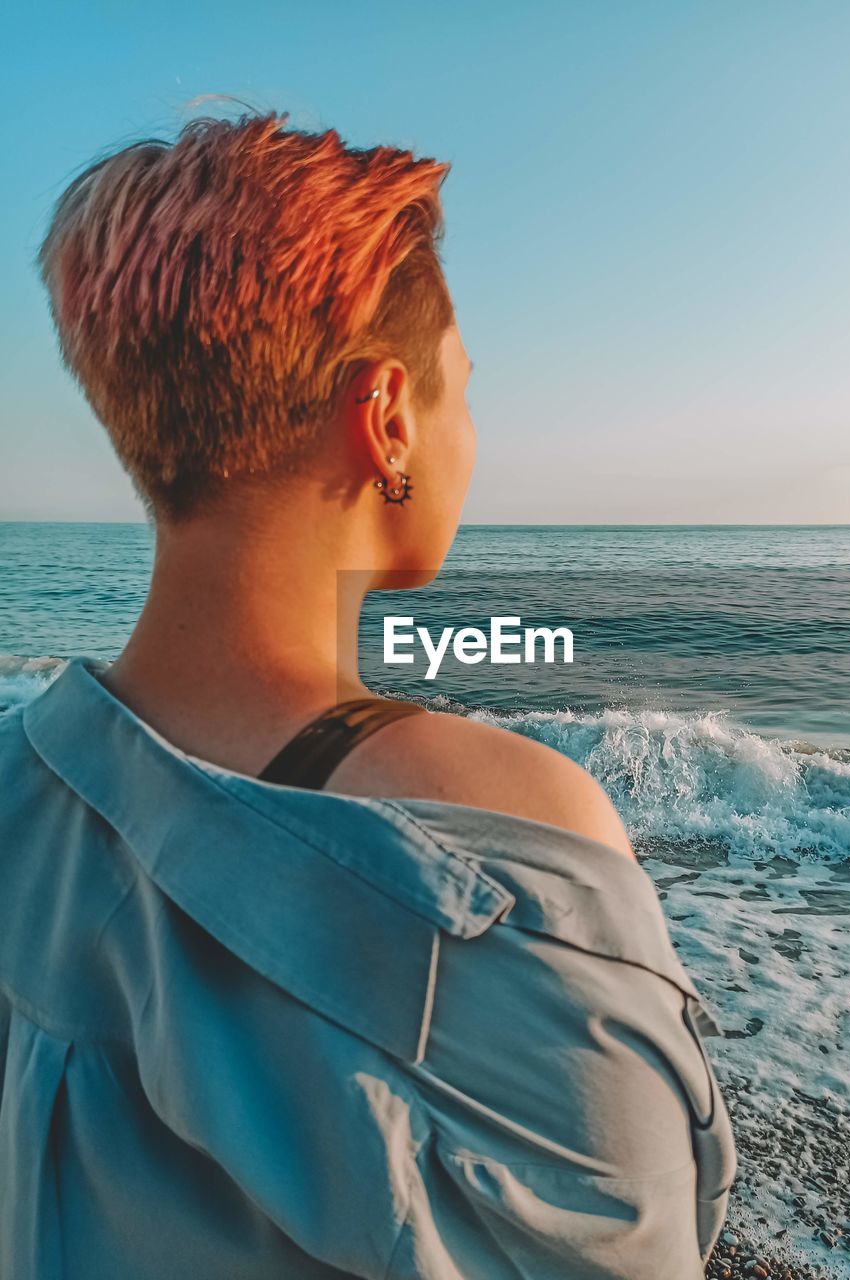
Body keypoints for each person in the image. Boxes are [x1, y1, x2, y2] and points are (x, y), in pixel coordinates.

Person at [0, 111, 736, 1278]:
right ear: (387, 416)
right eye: (461, 394)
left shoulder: (14, 775)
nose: (470, 436)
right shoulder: (507, 846)